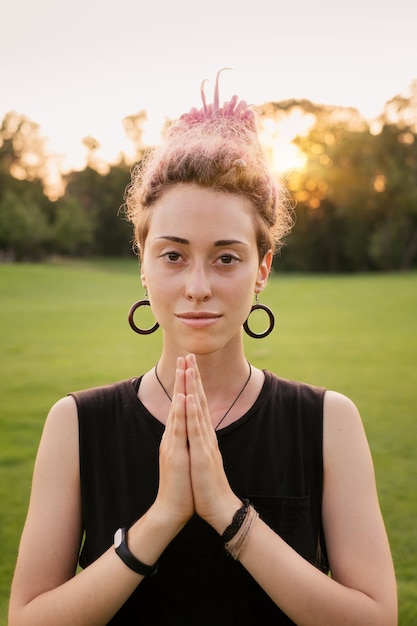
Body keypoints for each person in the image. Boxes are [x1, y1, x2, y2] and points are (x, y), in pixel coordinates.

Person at [9, 72, 397, 626]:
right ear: (142, 261)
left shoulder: (329, 421)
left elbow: (374, 619)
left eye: (226, 257)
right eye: (172, 255)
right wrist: (163, 516)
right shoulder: (75, 424)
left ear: (262, 267)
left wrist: (229, 515)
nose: (198, 286)